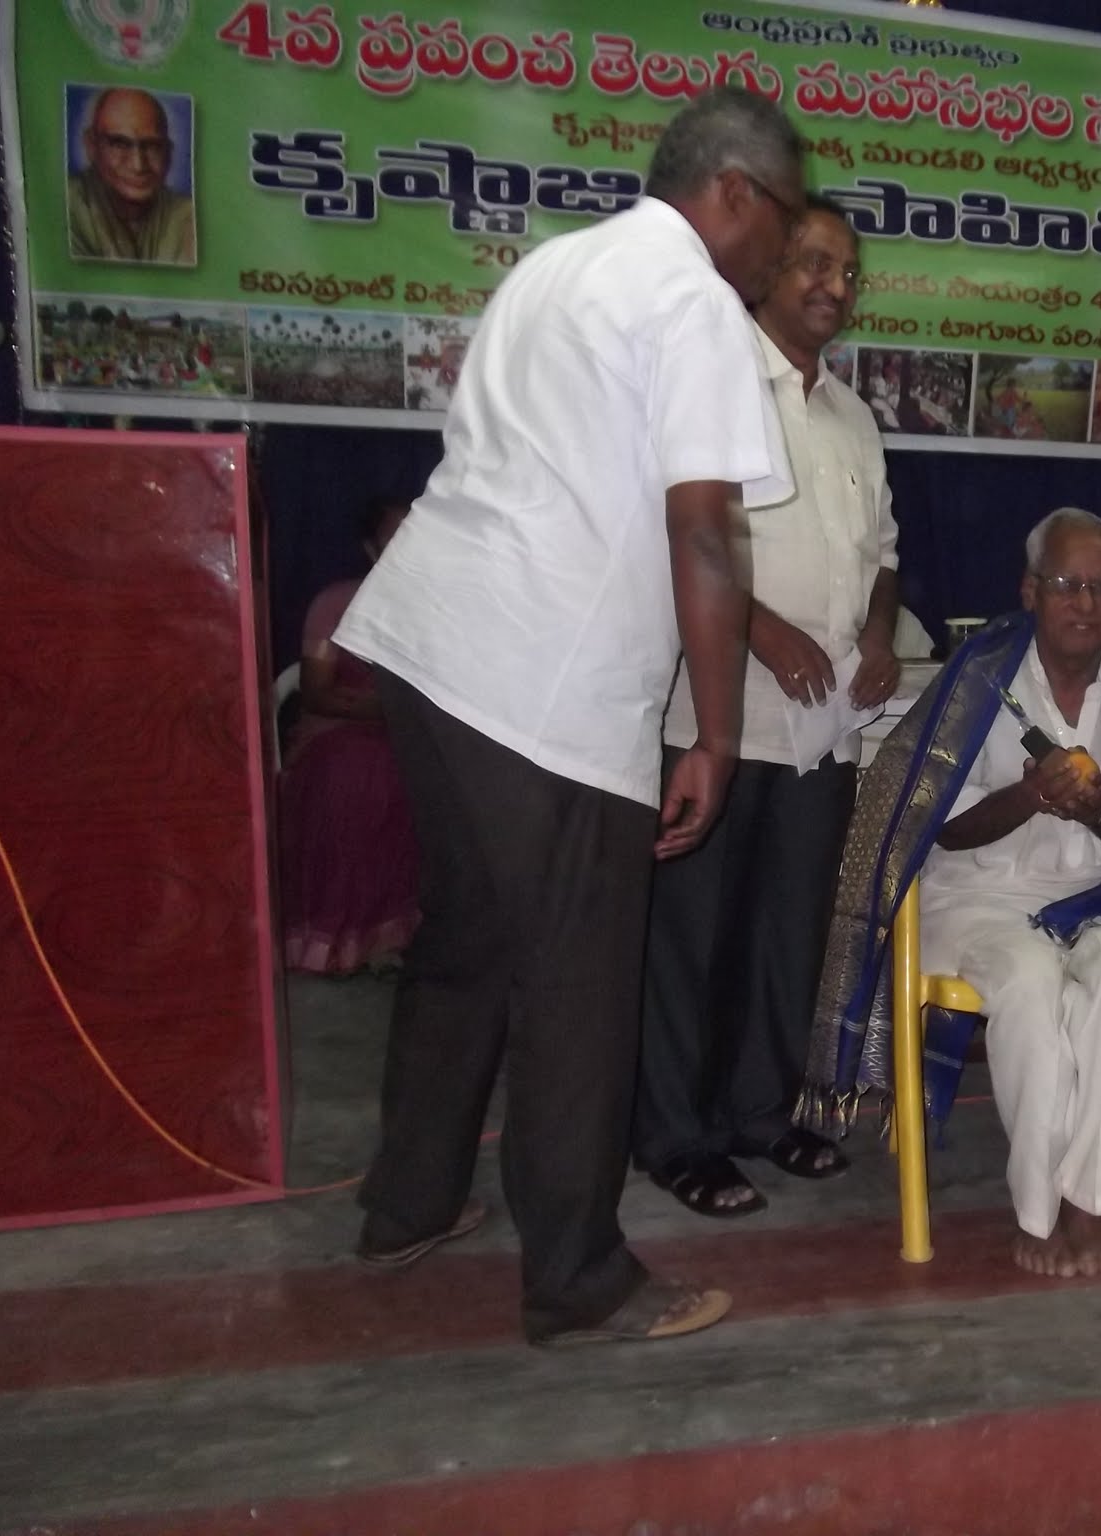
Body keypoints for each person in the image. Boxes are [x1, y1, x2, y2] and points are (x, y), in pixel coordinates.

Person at [330, 87, 806, 1348]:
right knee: (580, 986)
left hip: (428, 647)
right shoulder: (692, 298)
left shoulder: (553, 268)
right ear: (736, 194)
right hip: (541, 684)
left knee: (468, 942)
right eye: (786, 216)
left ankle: (406, 1205)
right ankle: (579, 1277)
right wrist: (714, 734)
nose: (783, 250)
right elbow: (703, 528)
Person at [801, 510, 1101, 1279]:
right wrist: (1030, 797)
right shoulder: (980, 679)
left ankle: (1086, 1199)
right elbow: (934, 826)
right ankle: (1038, 1210)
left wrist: (1100, 811)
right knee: (1033, 984)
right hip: (979, 900)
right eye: (1067, 584)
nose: (1086, 603)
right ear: (1031, 591)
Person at [637, 196, 901, 1217]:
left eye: (848, 271)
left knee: (790, 935)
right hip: (716, 719)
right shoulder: (713, 385)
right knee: (693, 941)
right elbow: (675, 534)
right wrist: (760, 627)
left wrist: (877, 636)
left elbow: (883, 556)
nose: (834, 285)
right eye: (814, 264)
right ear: (766, 271)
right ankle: (676, 1137)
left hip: (820, 733)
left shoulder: (854, 418)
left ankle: (757, 1113)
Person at [278, 497, 418, 975]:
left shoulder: (438, 608)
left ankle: (402, 937)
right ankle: (335, 939)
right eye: (394, 538)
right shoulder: (337, 602)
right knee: (356, 775)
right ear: (370, 548)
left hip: (412, 737)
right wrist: (390, 710)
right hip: (338, 734)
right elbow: (318, 693)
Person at [67, 87, 197, 265]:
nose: (138, 165)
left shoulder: (187, 216)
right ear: (91, 146)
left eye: (152, 146)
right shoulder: (67, 205)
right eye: (119, 144)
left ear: (169, 153)